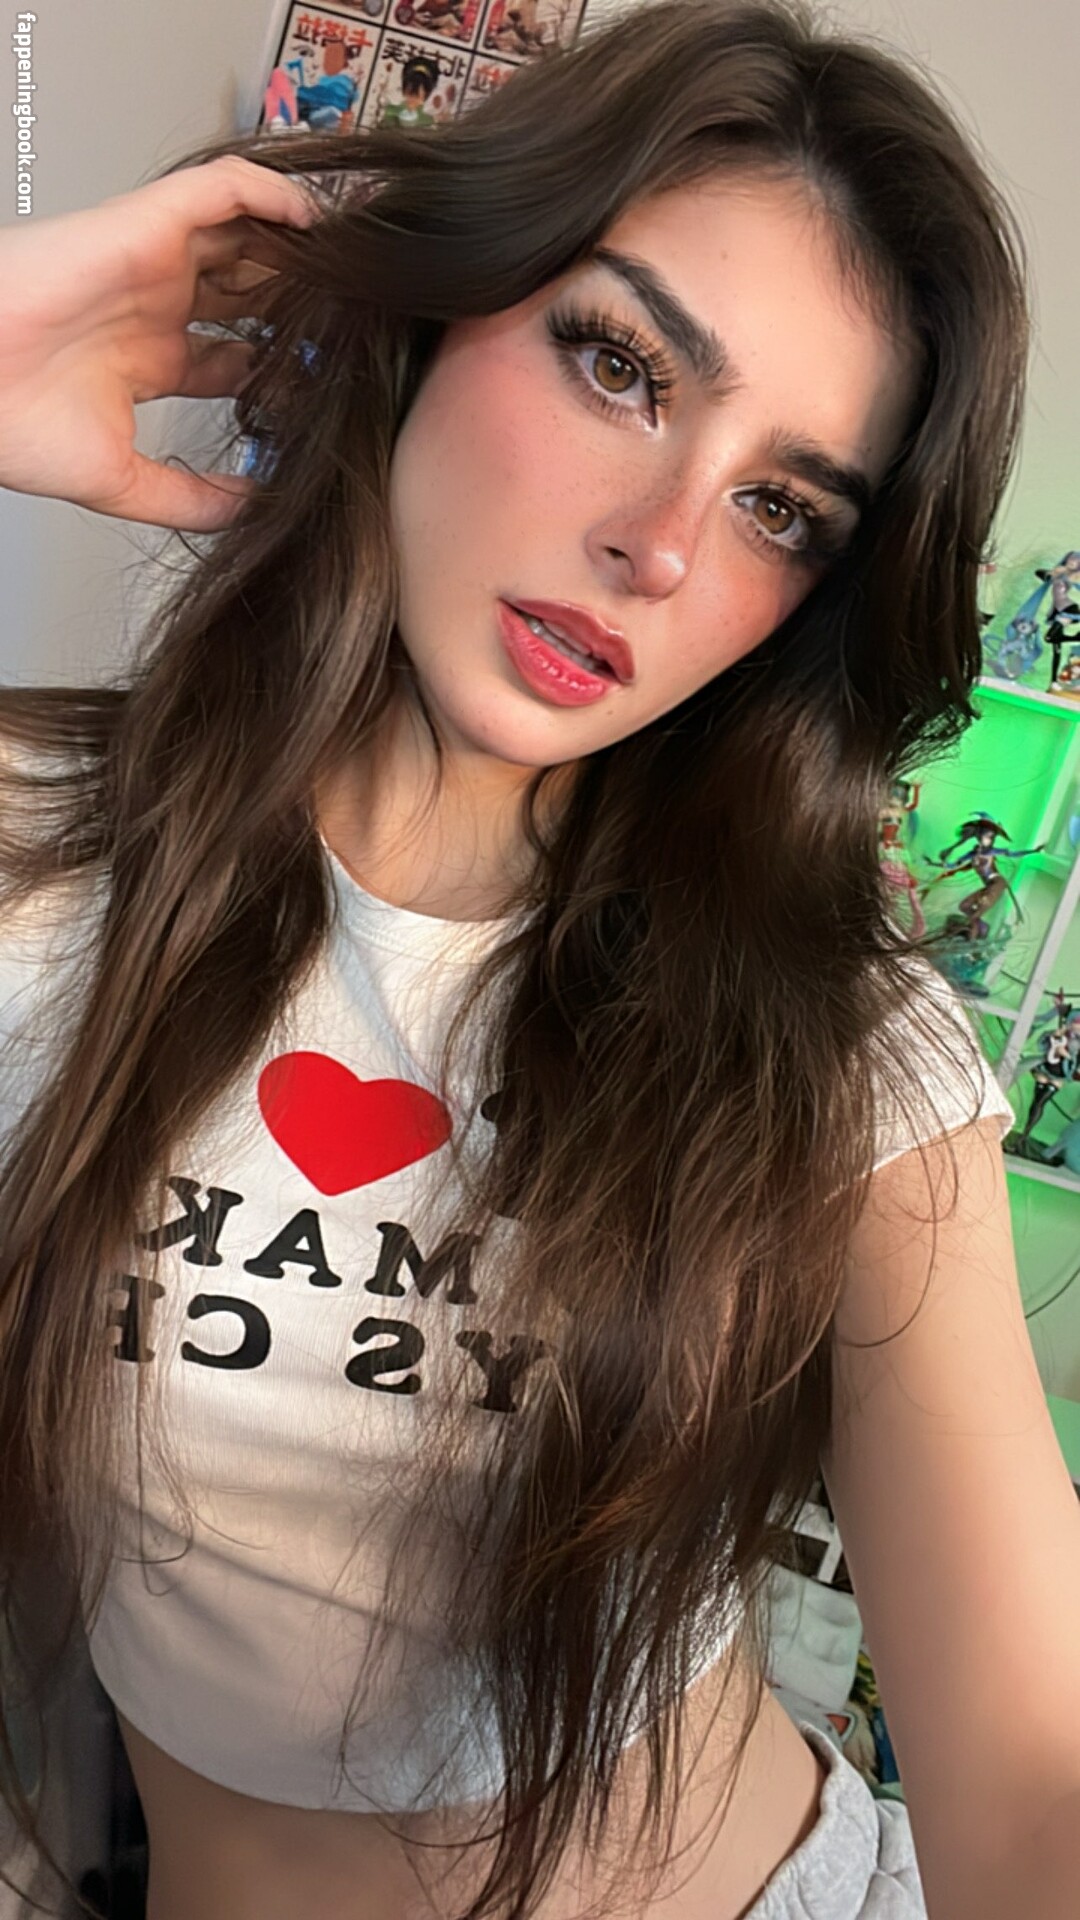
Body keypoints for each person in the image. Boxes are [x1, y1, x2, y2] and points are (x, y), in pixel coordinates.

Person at [0, 3, 1078, 1917]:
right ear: (435, 318)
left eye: (779, 508)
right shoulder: (38, 852)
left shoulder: (834, 1038)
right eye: (619, 364)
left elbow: (1038, 1782)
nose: (663, 545)